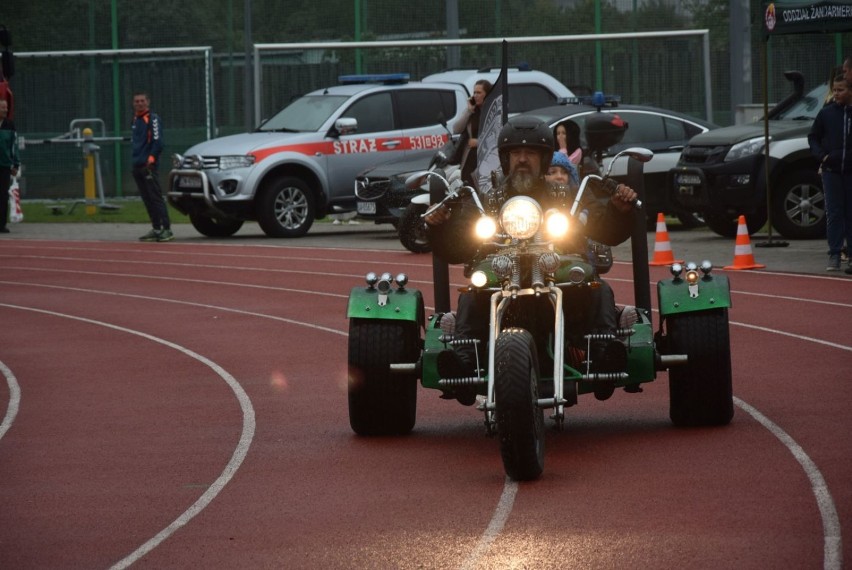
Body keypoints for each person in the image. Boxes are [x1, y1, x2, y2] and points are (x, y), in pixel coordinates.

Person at [425, 116, 638, 401]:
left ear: (544, 157)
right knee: (472, 294)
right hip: (502, 277)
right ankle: (464, 364)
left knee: (597, 288)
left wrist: (617, 209)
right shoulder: (488, 201)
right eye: (515, 153)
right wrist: (440, 225)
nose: (522, 160)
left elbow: (603, 226)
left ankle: (601, 358)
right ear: (505, 158)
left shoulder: (567, 197)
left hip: (559, 275)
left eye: (530, 153)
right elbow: (457, 245)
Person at [808, 74, 852, 272]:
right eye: (834, 90)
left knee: (850, 212)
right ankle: (834, 253)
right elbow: (813, 137)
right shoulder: (826, 113)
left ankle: (850, 254)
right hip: (831, 171)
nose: (836, 93)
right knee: (834, 212)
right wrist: (822, 156)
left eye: (841, 90)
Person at [131, 91, 173, 242]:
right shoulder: (136, 120)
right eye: (137, 101)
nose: (139, 103)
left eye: (142, 101)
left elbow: (158, 141)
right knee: (146, 198)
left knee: (155, 197)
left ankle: (166, 229)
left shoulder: (153, 119)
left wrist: (151, 158)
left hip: (148, 165)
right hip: (137, 165)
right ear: (133, 103)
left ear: (148, 102)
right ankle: (156, 228)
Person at [450, 79, 492, 187]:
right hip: (470, 158)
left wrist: (479, 142)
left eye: (479, 93)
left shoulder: (492, 111)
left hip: (486, 157)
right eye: (474, 93)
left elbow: (496, 136)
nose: (475, 95)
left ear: (487, 94)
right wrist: (469, 111)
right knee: (468, 186)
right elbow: (456, 129)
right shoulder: (472, 111)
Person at [0, 98, 19, 234]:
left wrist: (15, 164)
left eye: (6, 107)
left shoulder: (10, 125)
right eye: (3, 108)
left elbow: (14, 146)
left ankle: (1, 224)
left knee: (3, 196)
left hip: (5, 165)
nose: (6, 110)